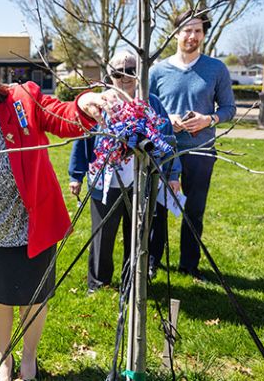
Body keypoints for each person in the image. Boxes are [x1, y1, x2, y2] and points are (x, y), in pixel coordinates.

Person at [0, 47, 109, 381]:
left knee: (33, 296)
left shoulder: (21, 98)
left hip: (32, 223)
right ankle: (4, 359)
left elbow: (61, 116)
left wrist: (84, 106)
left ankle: (29, 359)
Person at [68, 51, 181, 293]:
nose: (125, 76)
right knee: (102, 235)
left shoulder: (152, 102)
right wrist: (75, 174)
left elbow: (168, 138)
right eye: (118, 72)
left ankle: (132, 281)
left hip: (141, 182)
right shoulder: (99, 103)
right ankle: (98, 283)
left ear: (140, 73)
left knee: (138, 234)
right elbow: (83, 138)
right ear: (109, 75)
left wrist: (173, 175)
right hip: (105, 183)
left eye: (131, 70)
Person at [149, 10, 236, 281]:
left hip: (200, 151)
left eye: (198, 31)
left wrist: (208, 119)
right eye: (187, 30)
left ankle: (189, 264)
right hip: (164, 152)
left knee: (194, 210)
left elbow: (229, 108)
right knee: (157, 210)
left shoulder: (216, 68)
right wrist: (166, 120)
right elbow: (146, 109)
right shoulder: (158, 70)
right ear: (176, 33)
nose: (192, 36)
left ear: (203, 35)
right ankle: (152, 261)